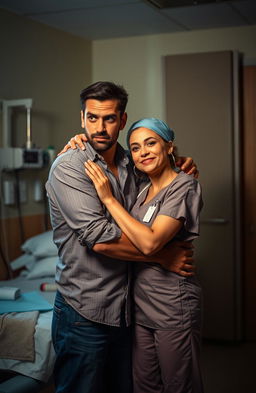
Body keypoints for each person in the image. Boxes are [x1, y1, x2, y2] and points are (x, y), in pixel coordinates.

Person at [46, 81, 198, 393]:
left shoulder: (133, 162)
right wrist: (161, 255)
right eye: (92, 118)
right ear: (82, 118)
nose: (99, 128)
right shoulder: (71, 166)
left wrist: (182, 162)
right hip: (85, 311)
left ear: (123, 120)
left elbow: (165, 179)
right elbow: (99, 239)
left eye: (109, 119)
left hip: (127, 309)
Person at [84, 117, 204, 393]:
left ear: (169, 146)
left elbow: (150, 244)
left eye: (151, 143)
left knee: (179, 385)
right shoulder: (143, 189)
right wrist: (77, 140)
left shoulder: (184, 186)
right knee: (144, 385)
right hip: (141, 305)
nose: (143, 153)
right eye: (135, 148)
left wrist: (109, 200)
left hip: (173, 305)